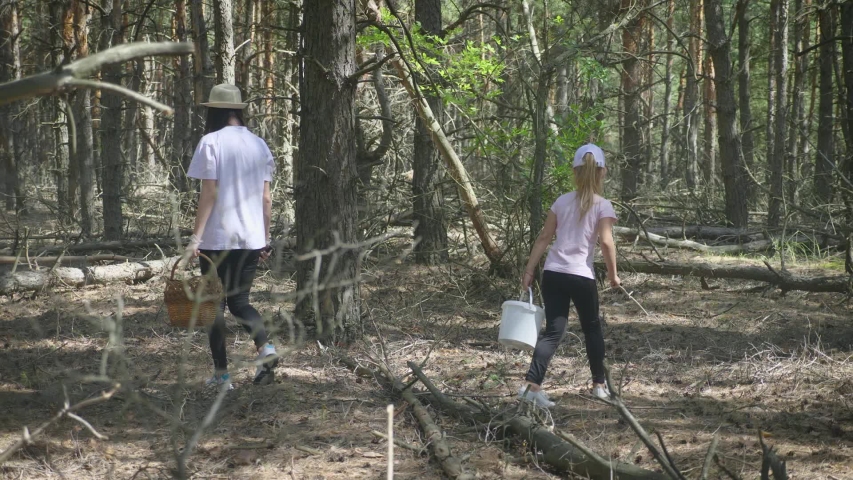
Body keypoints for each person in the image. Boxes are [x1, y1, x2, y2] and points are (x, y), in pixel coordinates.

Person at [185, 84, 278, 387]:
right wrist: (264, 239)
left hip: (216, 239)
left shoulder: (210, 142)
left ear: (213, 110)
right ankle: (265, 348)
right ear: (238, 110)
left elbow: (209, 192)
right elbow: (266, 198)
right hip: (249, 238)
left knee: (213, 307)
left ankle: (221, 375)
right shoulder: (259, 144)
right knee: (240, 302)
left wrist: (195, 239)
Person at [518, 143, 620, 407]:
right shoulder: (603, 205)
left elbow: (544, 237)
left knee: (553, 332)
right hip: (581, 276)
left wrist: (529, 270)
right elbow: (607, 243)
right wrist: (613, 275)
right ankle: (599, 386)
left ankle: (532, 386)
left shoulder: (561, 202)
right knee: (592, 329)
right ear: (602, 173)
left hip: (553, 273)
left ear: (575, 172)